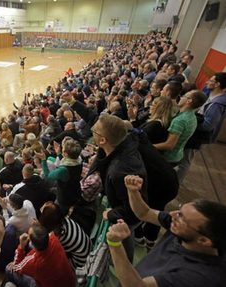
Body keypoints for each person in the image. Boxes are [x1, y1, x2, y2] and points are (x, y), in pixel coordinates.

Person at [106, 175, 226, 287]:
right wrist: (133, 192)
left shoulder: (198, 276)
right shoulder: (181, 228)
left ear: (204, 240)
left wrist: (115, 244)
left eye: (181, 217)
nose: (173, 214)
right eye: (179, 210)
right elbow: (145, 213)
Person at [91, 114, 147, 261]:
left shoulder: (119, 172)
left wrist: (112, 214)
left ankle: (126, 260)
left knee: (125, 235)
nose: (92, 131)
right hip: (126, 206)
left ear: (103, 140)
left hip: (128, 216)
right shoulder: (124, 142)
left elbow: (133, 211)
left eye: (94, 131)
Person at [177, 72, 226, 182]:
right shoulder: (211, 95)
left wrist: (190, 122)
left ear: (217, 84)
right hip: (195, 130)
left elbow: (208, 125)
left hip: (198, 135)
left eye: (211, 80)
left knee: (186, 159)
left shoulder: (217, 104)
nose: (208, 82)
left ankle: (176, 182)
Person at [5, 224, 76, 287]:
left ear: (32, 243)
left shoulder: (34, 263)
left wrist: (21, 246)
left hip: (45, 282)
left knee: (8, 269)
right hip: (70, 281)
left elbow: (17, 268)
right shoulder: (54, 238)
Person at [154, 90, 208, 166]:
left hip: (167, 158)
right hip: (177, 155)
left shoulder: (180, 120)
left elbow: (169, 145)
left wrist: (149, 146)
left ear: (189, 101)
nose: (181, 97)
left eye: (184, 96)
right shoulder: (191, 116)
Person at [38, 202, 91, 268]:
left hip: (81, 261)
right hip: (87, 246)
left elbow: (55, 252)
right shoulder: (65, 220)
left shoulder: (60, 237)